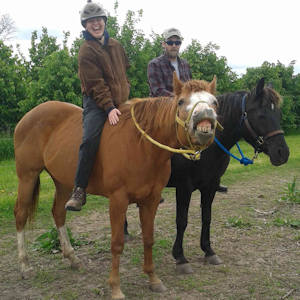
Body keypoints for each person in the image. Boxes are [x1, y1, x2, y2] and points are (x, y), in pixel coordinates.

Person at [65, 0, 130, 211]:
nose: (96, 24)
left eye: (98, 20)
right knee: (90, 139)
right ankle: (80, 188)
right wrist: (109, 108)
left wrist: (124, 96)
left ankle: (141, 182)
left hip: (121, 101)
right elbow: (96, 85)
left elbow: (123, 72)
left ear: (105, 21)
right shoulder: (86, 51)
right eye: (90, 21)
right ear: (85, 25)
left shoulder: (117, 45)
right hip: (96, 103)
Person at [147, 27, 227, 193]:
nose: (174, 45)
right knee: (152, 143)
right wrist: (181, 100)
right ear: (164, 44)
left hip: (184, 108)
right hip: (161, 109)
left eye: (177, 42)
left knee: (204, 133)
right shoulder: (154, 64)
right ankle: (151, 183)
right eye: (170, 42)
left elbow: (191, 88)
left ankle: (210, 177)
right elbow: (156, 90)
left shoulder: (185, 64)